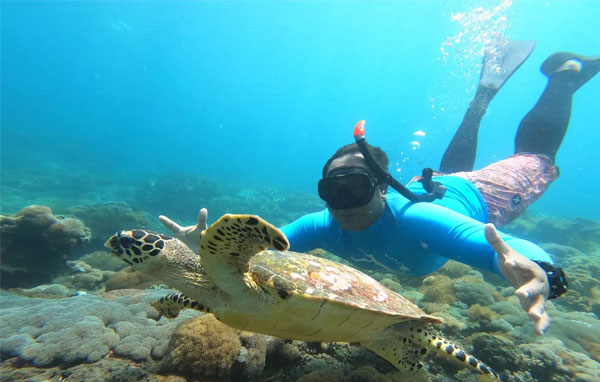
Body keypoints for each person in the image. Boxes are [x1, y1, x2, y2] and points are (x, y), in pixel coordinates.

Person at [158, 40, 599, 335]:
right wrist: (208, 255)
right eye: (332, 191)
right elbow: (260, 251)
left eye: (354, 189)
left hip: (483, 198)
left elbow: (494, 246)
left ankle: (565, 76)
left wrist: (541, 270)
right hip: (433, 186)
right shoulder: (323, 224)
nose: (342, 205)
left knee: (535, 159)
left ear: (380, 189)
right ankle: (480, 100)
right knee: (447, 170)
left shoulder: (415, 218)